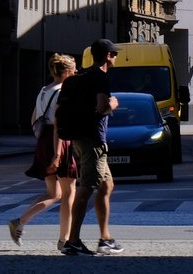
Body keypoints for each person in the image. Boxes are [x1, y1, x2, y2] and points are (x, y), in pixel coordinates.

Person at [56, 39, 122, 256]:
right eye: (114, 54)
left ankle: (105, 238)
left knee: (106, 185)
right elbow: (102, 106)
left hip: (80, 138)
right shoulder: (101, 77)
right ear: (108, 56)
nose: (115, 57)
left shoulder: (82, 76)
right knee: (87, 188)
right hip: (92, 140)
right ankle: (72, 240)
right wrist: (113, 104)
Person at [8, 54, 77, 250]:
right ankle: (65, 239)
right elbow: (59, 125)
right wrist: (57, 154)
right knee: (68, 193)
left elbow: (33, 119)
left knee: (53, 192)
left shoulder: (43, 91)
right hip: (59, 141)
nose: (76, 73)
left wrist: (43, 144)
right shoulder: (63, 91)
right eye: (74, 71)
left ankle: (19, 222)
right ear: (66, 73)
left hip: (44, 140)